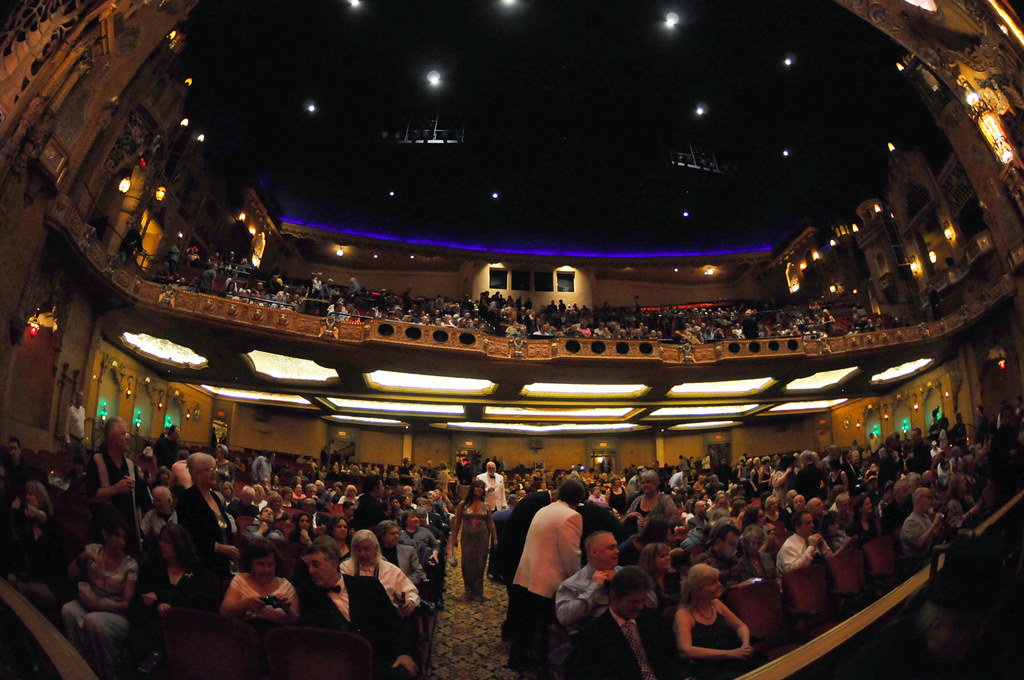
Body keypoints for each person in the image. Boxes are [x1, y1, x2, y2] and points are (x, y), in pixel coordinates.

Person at [299, 536, 418, 680]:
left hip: (378, 660)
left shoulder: (369, 585)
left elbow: (394, 622)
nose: (311, 571)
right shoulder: (309, 595)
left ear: (333, 564)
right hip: (339, 667)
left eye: (316, 564)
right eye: (309, 566)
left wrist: (404, 653)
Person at [510, 479, 586, 670]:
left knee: (525, 624)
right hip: (546, 579)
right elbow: (571, 554)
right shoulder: (571, 516)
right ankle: (544, 666)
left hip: (527, 573)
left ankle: (518, 661)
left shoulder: (544, 509)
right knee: (545, 628)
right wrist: (578, 581)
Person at [61, 510, 138, 680]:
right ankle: (79, 665)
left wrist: (98, 606)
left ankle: (108, 673)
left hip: (114, 611)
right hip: (90, 603)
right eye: (117, 536)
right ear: (105, 534)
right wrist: (83, 557)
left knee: (93, 620)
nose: (121, 542)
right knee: (68, 610)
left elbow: (127, 603)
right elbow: (70, 575)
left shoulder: (130, 564)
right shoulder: (93, 550)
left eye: (124, 537)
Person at [128, 525, 218, 665]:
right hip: (153, 628)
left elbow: (204, 601)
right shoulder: (152, 567)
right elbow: (139, 599)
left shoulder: (197, 569)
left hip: (188, 629)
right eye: (161, 540)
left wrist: (164, 599)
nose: (161, 544)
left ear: (180, 544)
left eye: (167, 541)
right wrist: (157, 605)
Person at [568, 567, 678, 680]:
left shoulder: (652, 619)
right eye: (633, 602)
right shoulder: (594, 634)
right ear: (614, 597)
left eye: (643, 600)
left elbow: (672, 658)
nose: (640, 607)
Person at [674, 563, 757, 679]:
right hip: (708, 667)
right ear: (697, 590)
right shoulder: (684, 614)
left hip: (731, 658)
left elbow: (740, 627)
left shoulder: (716, 604)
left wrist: (745, 645)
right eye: (713, 583)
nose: (719, 585)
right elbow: (685, 650)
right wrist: (731, 653)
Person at [86, 417, 148, 552]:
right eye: (123, 434)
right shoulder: (98, 461)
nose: (128, 438)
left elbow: (140, 502)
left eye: (127, 434)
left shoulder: (130, 465)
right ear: (111, 439)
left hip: (128, 532)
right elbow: (91, 497)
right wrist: (115, 489)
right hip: (106, 532)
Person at [176, 452, 237, 581]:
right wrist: (220, 548)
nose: (214, 472)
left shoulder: (215, 496)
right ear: (196, 474)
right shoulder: (187, 498)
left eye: (214, 468)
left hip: (221, 566)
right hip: (202, 567)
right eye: (208, 469)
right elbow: (190, 536)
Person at [7, 480, 63, 614]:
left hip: (49, 583)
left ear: (41, 497)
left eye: (32, 494)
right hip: (33, 576)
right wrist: (14, 516)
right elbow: (19, 550)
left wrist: (37, 517)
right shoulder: (28, 523)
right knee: (10, 578)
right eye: (27, 494)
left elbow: (46, 561)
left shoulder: (52, 523)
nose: (27, 497)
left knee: (21, 586)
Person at [220, 537, 299, 632]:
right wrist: (246, 604)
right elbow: (224, 612)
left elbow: (296, 621)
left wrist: (286, 609)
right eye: (261, 564)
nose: (266, 569)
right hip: (245, 635)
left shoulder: (286, 586)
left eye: (270, 565)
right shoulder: (240, 580)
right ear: (251, 564)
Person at [555, 531, 622, 634]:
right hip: (593, 640)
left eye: (616, 547)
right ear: (594, 553)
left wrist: (622, 583)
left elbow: (651, 603)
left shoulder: (624, 574)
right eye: (611, 548)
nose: (617, 551)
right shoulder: (572, 584)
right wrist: (594, 587)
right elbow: (565, 618)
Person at [342, 529, 419, 618]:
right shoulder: (345, 568)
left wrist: (410, 601)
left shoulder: (390, 569)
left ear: (376, 549)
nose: (362, 554)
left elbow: (410, 591)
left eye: (366, 549)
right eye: (358, 550)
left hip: (385, 618)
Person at [450, 479, 498, 601]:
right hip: (467, 537)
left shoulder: (486, 505)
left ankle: (478, 592)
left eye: (482, 488)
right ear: (473, 488)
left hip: (482, 538)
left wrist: (495, 539)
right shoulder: (463, 504)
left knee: (480, 563)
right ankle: (468, 590)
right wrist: (454, 538)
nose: (479, 489)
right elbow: (457, 522)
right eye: (477, 487)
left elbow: (491, 523)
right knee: (467, 563)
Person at [623, 470, 678, 534]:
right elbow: (624, 520)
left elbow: (675, 522)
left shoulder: (665, 500)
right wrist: (629, 516)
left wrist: (651, 525)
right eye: (643, 482)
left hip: (658, 539)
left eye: (648, 482)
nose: (645, 485)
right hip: (637, 538)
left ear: (656, 483)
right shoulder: (637, 500)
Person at [901, 487, 944, 570]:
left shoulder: (924, 517)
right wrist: (934, 523)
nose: (931, 501)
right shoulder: (910, 522)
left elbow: (933, 535)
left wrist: (939, 524)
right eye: (928, 498)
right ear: (918, 499)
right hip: (917, 563)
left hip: (929, 555)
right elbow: (920, 543)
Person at [376, 520, 426, 586]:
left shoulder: (409, 551)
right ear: (382, 536)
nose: (396, 536)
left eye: (397, 533)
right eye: (392, 534)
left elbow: (419, 573)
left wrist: (404, 583)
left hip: (404, 588)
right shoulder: (375, 553)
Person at [776, 510, 827, 575]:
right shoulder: (788, 547)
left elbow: (830, 560)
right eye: (808, 523)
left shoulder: (811, 539)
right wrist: (811, 547)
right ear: (797, 527)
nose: (813, 525)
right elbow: (793, 572)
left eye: (812, 522)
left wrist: (823, 546)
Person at [636, 541, 681, 612]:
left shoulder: (674, 576)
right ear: (650, 560)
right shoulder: (643, 583)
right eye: (662, 556)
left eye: (667, 554)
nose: (668, 558)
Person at [140, 485, 177, 549]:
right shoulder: (150, 515)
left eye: (159, 501)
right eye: (154, 501)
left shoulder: (178, 515)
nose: (156, 504)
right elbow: (142, 532)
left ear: (169, 501)